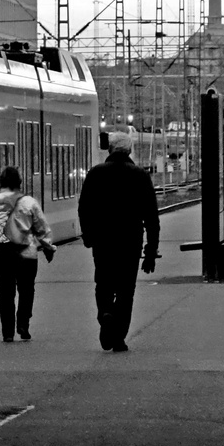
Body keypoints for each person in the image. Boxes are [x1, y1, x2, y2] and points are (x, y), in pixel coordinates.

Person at [78, 131, 161, 352]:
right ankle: (119, 338)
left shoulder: (95, 174)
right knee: (126, 290)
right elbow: (151, 217)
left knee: (103, 284)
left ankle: (105, 312)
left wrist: (88, 237)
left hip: (102, 242)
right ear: (130, 150)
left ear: (109, 149)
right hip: (130, 242)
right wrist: (150, 251)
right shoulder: (140, 175)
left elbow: (84, 208)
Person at [0, 165, 52, 342]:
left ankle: (7, 332)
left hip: (0, 255)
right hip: (27, 255)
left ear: (0, 182)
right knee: (26, 289)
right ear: (19, 183)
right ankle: (23, 323)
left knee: (5, 293)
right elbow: (42, 228)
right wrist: (48, 248)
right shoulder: (29, 202)